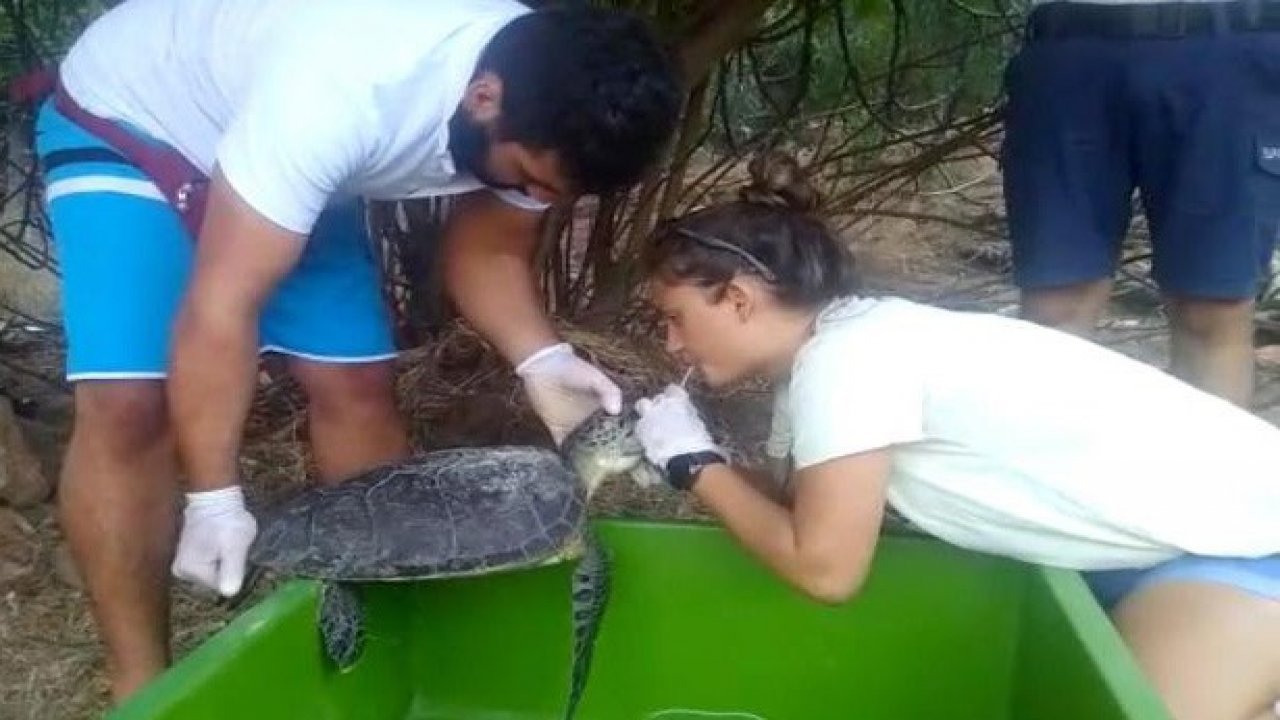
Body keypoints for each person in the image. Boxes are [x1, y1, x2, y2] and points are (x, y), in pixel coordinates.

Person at [34, 0, 681, 701]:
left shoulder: (549, 97)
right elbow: (222, 307)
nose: (530, 196)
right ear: (482, 95)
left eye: (548, 191)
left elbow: (488, 250)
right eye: (525, 177)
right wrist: (215, 497)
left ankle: (393, 636)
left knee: (357, 387)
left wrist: (541, 360)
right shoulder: (341, 92)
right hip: (143, 118)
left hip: (285, 145)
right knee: (129, 403)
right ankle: (142, 685)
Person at [632, 153, 1280, 720]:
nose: (672, 343)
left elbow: (825, 569)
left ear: (739, 299)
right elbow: (792, 513)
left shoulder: (847, 362)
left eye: (676, 318)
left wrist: (695, 465)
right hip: (1129, 555)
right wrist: (680, 458)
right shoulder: (830, 356)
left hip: (1245, 547)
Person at [1000, 0, 1280, 408]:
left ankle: (1207, 473)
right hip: (1068, 46)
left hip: (1228, 46)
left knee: (1211, 309)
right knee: (1054, 310)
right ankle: (1041, 469)